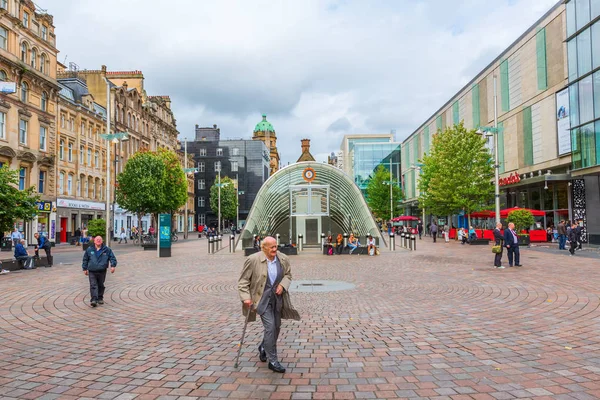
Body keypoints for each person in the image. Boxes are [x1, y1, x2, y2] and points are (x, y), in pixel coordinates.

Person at [237, 236, 296, 373]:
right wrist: (246, 298)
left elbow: (288, 275)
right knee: (270, 327)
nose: (275, 249)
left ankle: (264, 346)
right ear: (263, 248)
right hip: (261, 300)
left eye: (276, 246)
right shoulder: (253, 260)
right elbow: (243, 282)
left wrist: (282, 285)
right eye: (272, 247)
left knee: (276, 327)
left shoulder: (283, 259)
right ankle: (273, 360)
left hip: (276, 299)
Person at [82, 236, 117, 307]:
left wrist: (113, 266)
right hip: (92, 270)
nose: (98, 240)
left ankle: (100, 297)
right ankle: (94, 299)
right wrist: (84, 268)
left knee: (101, 285)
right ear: (94, 241)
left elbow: (112, 258)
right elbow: (85, 259)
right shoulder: (89, 249)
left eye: (100, 239)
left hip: (102, 270)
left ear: (102, 241)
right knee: (93, 285)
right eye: (97, 239)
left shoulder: (107, 249)